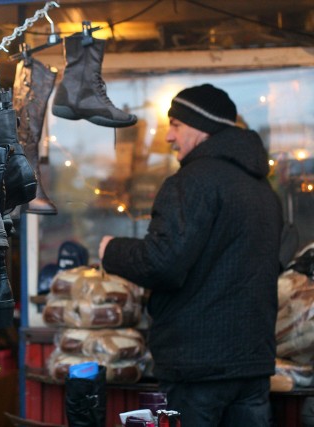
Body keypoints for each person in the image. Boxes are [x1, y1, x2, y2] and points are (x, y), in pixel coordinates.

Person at [98, 84, 283, 426]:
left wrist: (112, 250)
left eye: (176, 125)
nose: (168, 137)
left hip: (197, 367)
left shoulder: (192, 181)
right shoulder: (262, 189)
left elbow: (162, 262)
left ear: (201, 127)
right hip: (253, 364)